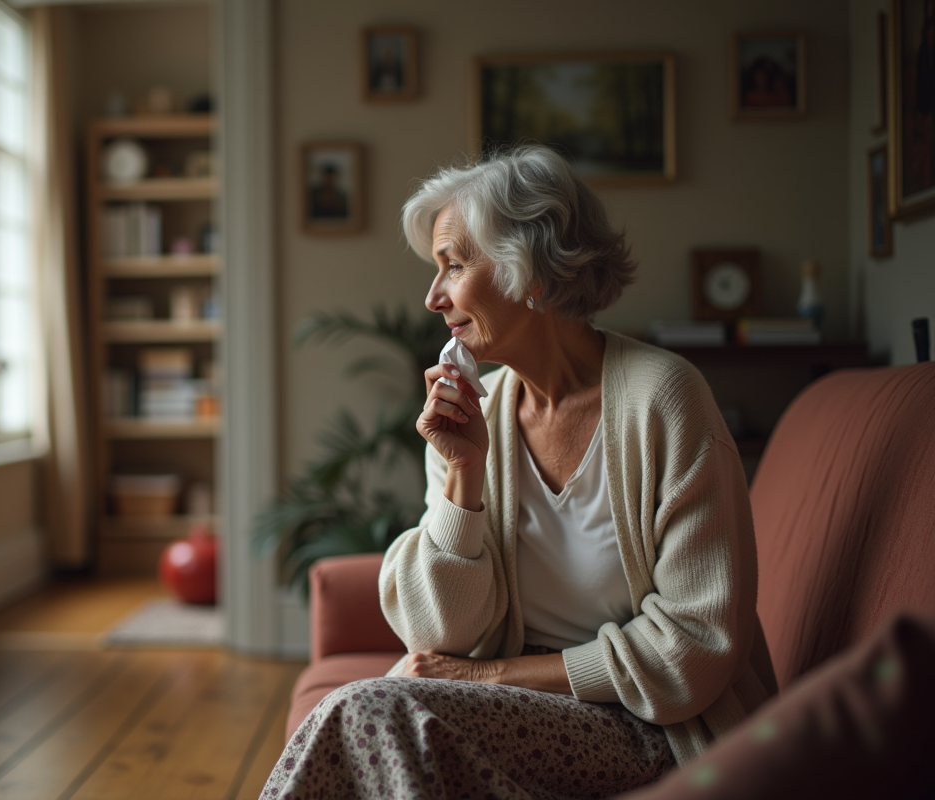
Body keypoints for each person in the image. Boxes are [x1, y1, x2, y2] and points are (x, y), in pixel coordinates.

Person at [260, 146, 777, 800]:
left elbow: (694, 648)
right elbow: (437, 635)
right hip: (529, 720)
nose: (433, 296)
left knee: (372, 711)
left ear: (526, 268)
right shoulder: (478, 416)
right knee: (362, 715)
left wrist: (491, 678)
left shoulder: (665, 399)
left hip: (658, 730)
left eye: (453, 264)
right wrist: (463, 476)